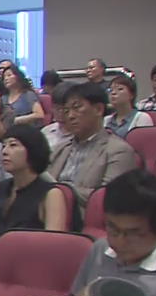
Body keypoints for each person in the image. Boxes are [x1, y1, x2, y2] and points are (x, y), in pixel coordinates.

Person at [46, 83, 139, 222]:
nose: (70, 116)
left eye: (77, 108)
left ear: (99, 109)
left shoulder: (118, 151)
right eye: (66, 111)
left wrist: (61, 190)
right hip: (47, 214)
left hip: (85, 221)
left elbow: (108, 198)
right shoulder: (60, 148)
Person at [0, 124, 68, 246]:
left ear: (32, 150)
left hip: (29, 260)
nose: (4, 151)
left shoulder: (51, 194)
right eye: (4, 146)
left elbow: (53, 247)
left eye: (13, 145)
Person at [103, 74, 153, 138]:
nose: (113, 93)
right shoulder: (107, 120)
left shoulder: (142, 118)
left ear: (131, 95)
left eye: (120, 89)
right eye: (110, 90)